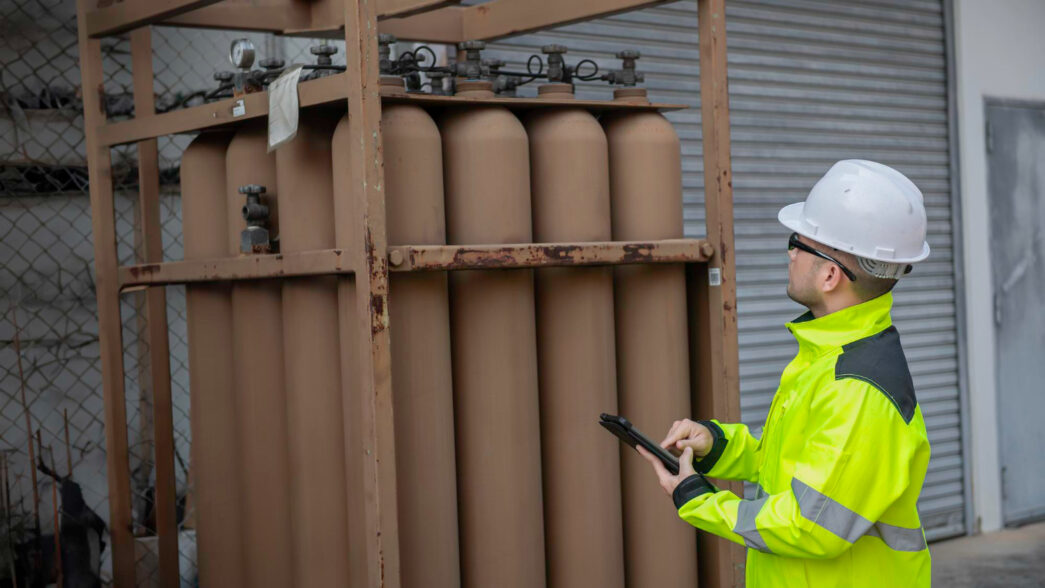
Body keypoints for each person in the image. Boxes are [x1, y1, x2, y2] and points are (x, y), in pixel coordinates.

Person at [638, 160, 933, 587]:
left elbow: (810, 524)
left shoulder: (857, 388)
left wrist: (699, 500)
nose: (791, 252)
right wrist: (717, 445)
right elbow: (790, 466)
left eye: (799, 241)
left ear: (831, 275)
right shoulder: (829, 356)